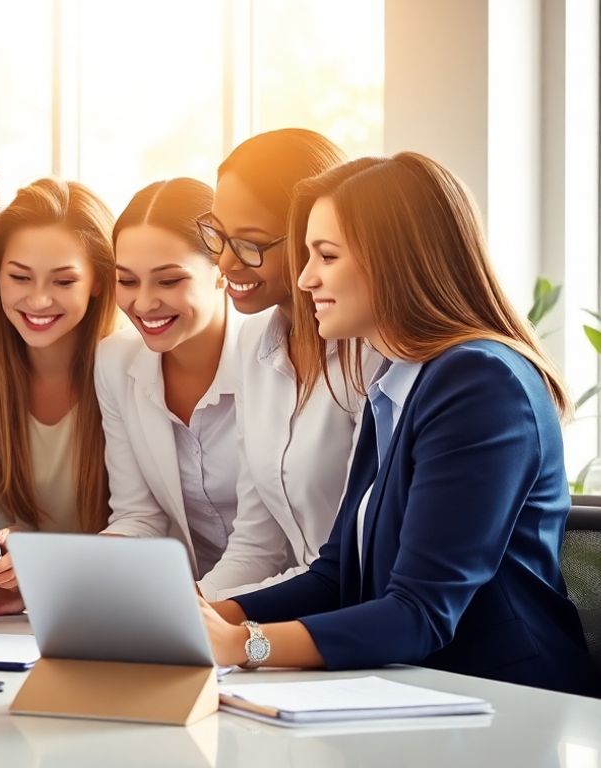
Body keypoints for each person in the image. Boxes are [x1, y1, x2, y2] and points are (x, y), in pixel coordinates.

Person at [199, 152, 601, 697]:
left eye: (327, 255)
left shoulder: (479, 382)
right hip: (417, 692)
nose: (305, 277)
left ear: (396, 260)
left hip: (506, 701)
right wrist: (204, 616)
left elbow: (420, 613)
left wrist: (247, 644)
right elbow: (335, 575)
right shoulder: (398, 382)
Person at [193, 129, 367, 600]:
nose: (225, 261)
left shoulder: (371, 354)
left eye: (250, 244)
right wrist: (189, 609)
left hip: (356, 620)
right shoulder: (253, 343)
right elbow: (257, 544)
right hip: (304, 608)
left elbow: (352, 563)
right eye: (218, 235)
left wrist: (219, 620)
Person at [0, 178, 118, 619]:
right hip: (13, 608)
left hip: (111, 598)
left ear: (97, 282)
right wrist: (16, 573)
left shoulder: (128, 367)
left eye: (63, 281)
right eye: (19, 277)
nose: (38, 299)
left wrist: (43, 578)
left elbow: (149, 527)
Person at [96, 178, 244, 579]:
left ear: (221, 271)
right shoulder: (113, 360)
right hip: (191, 601)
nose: (143, 303)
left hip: (291, 604)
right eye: (126, 281)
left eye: (169, 280)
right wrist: (54, 566)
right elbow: (138, 517)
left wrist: (194, 609)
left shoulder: (267, 353)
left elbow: (266, 543)